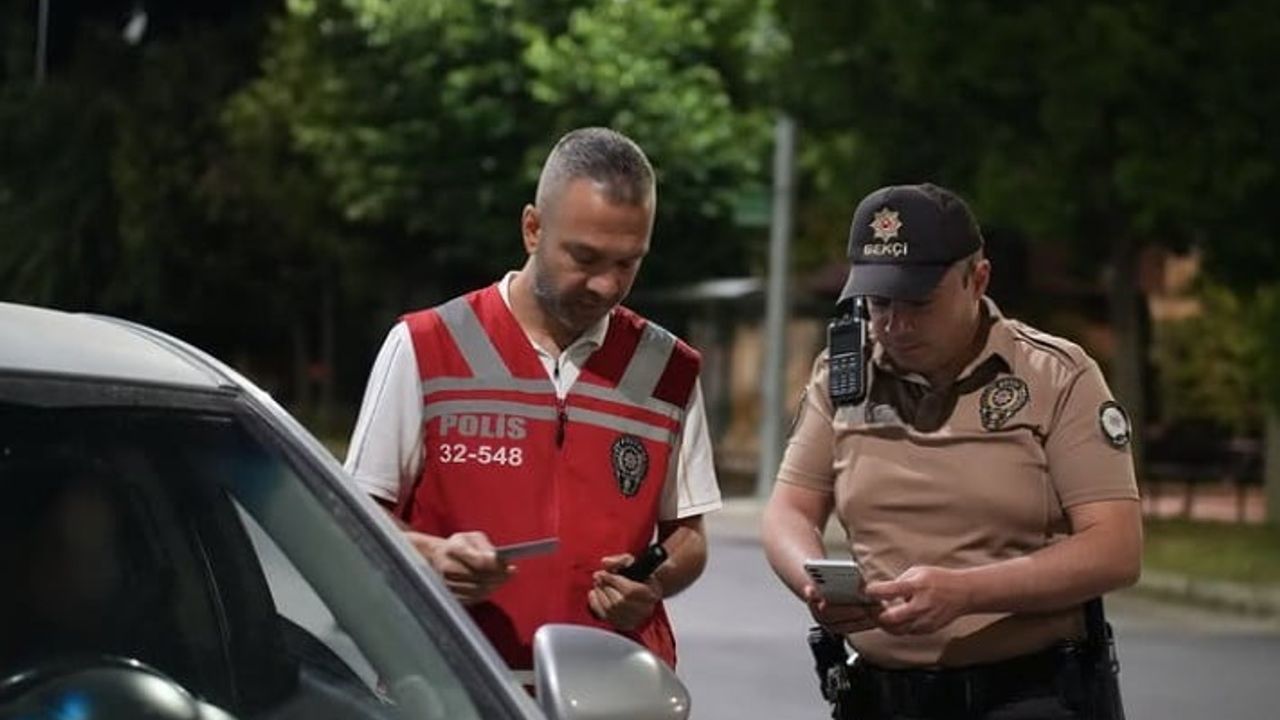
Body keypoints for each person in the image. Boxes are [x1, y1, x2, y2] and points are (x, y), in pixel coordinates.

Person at [343, 127, 721, 674]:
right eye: (585, 257)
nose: (606, 286)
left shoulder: (669, 369)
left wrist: (654, 581)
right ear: (532, 228)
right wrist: (432, 556)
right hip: (455, 688)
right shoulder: (427, 347)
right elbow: (353, 518)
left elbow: (688, 535)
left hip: (609, 693)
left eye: (628, 262)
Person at [762, 183, 1142, 719]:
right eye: (878, 302)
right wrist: (814, 582)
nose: (894, 323)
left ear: (977, 279)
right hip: (881, 700)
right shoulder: (844, 375)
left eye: (918, 302)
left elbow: (1115, 549)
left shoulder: (1056, 375)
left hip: (1028, 695)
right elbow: (789, 510)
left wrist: (966, 592)